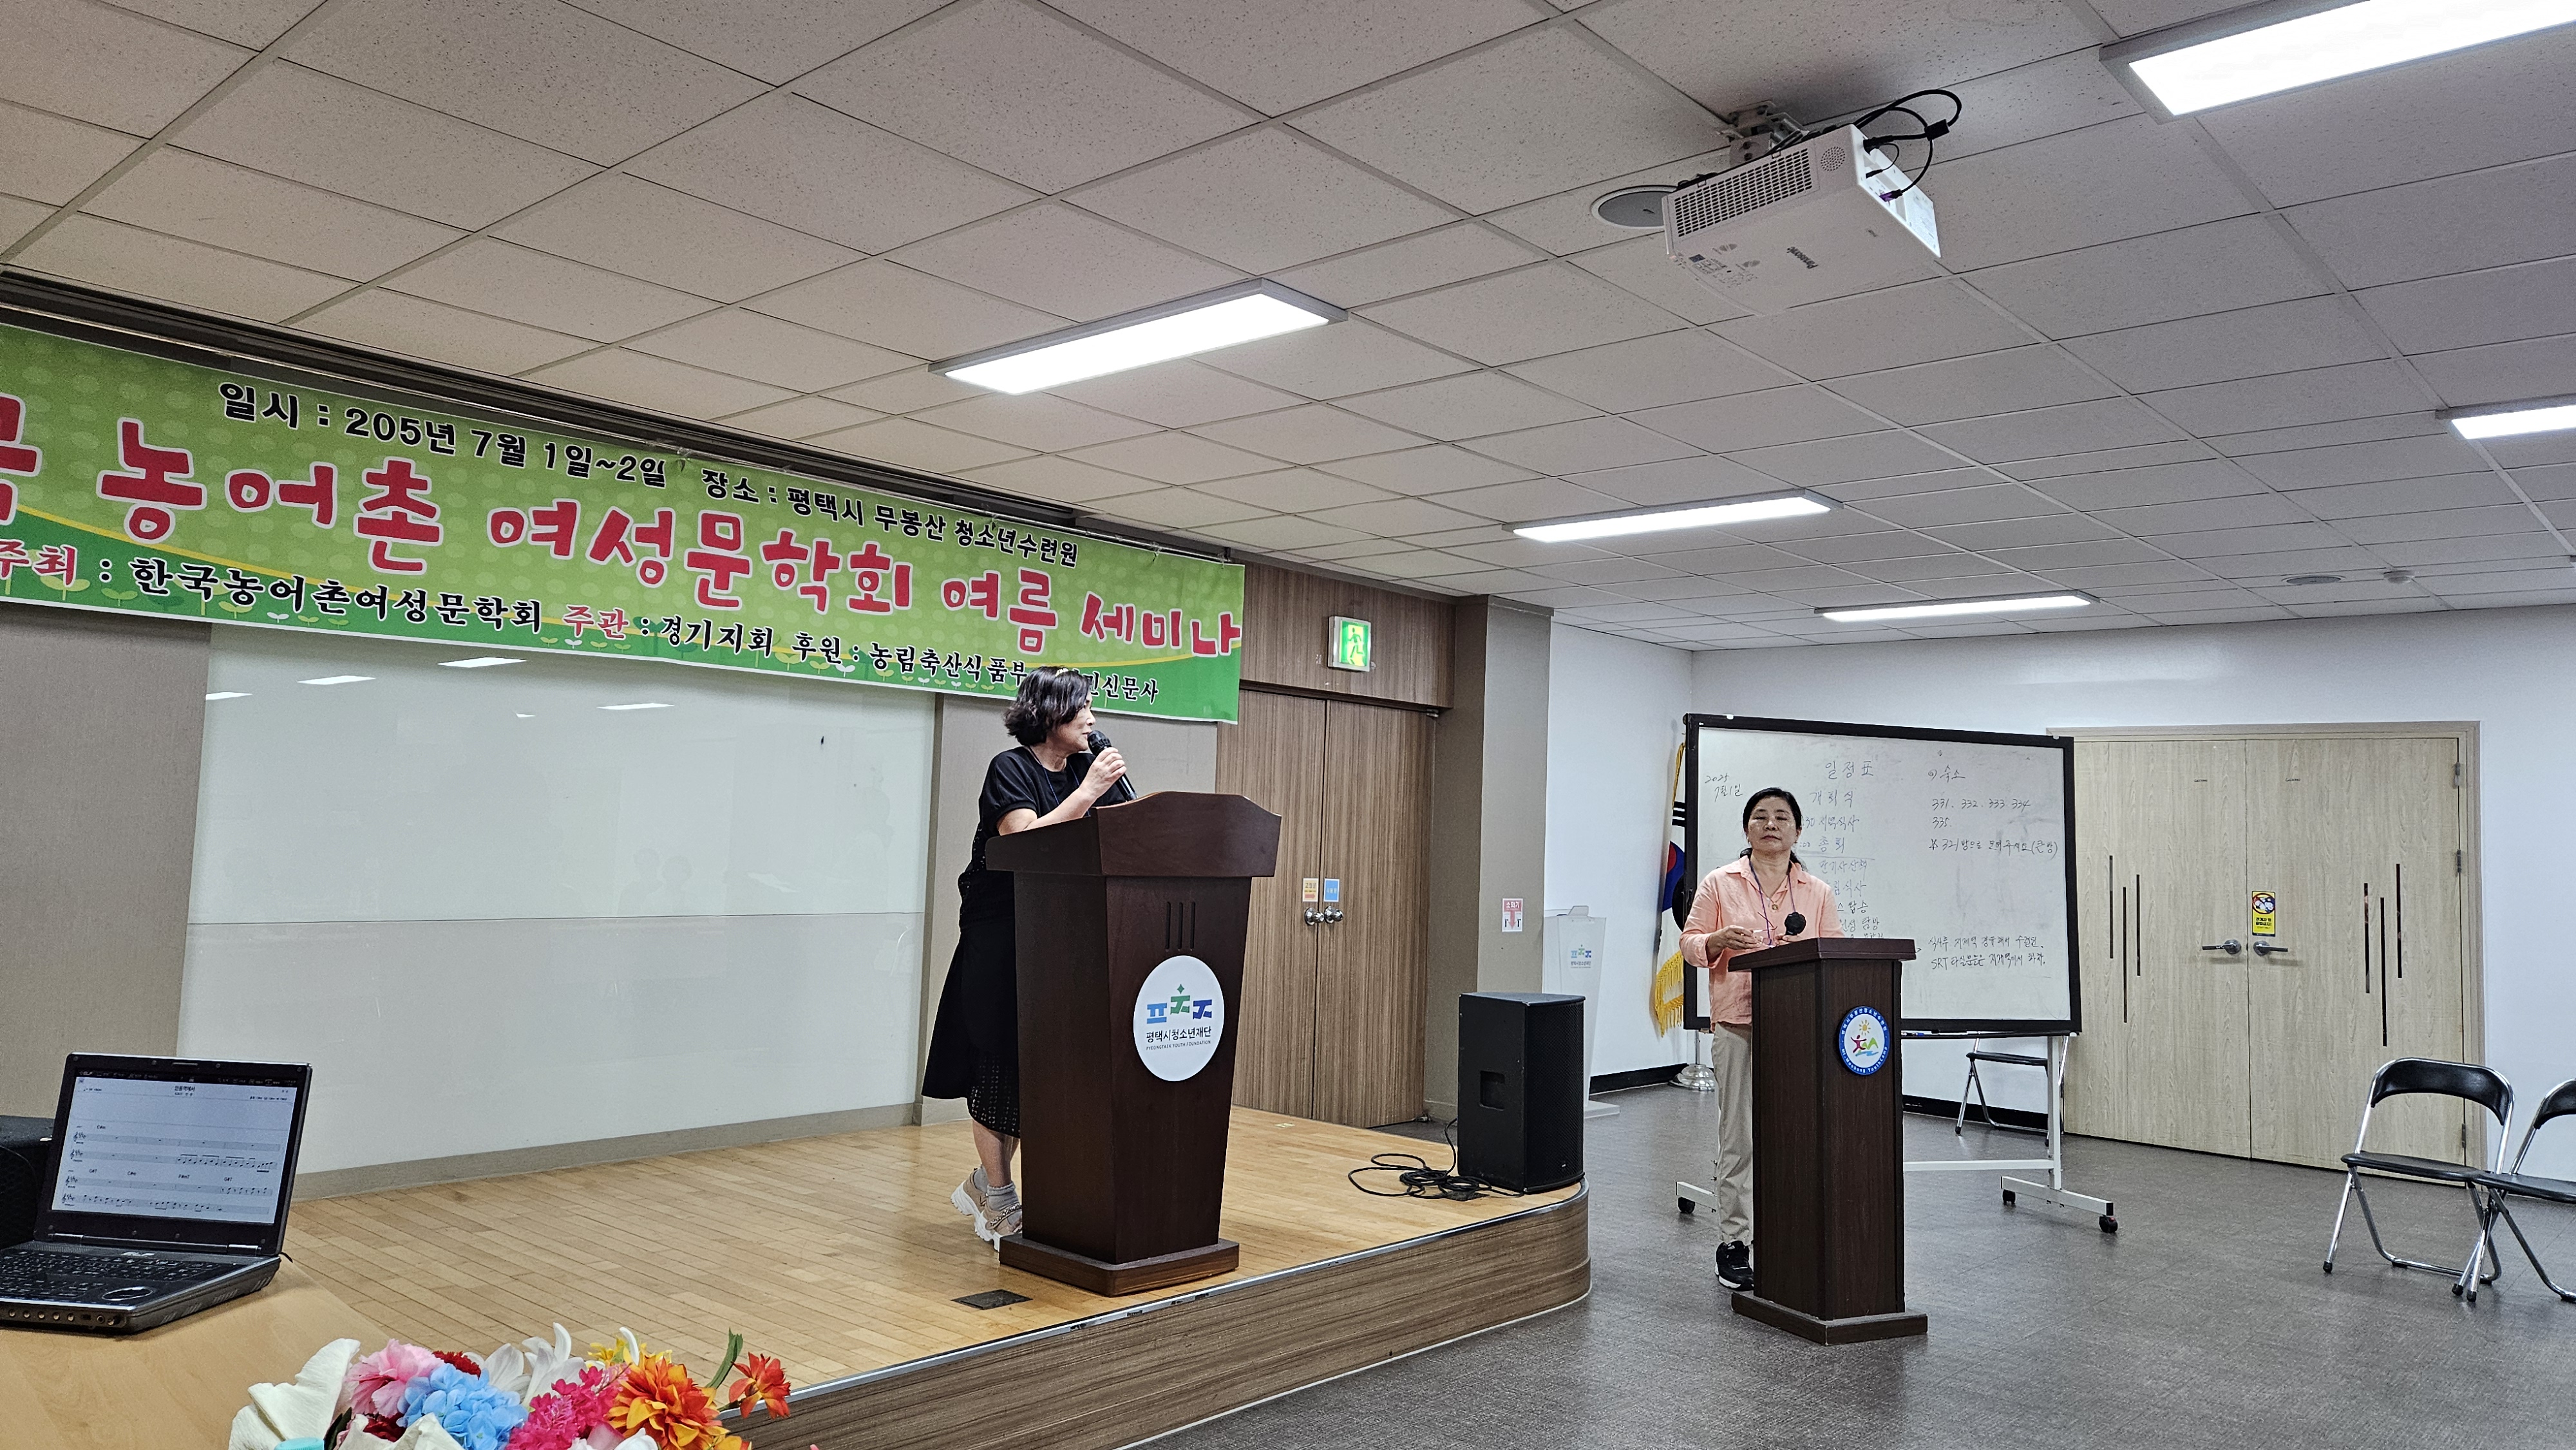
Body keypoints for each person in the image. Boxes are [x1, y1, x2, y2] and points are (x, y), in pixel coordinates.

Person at [922, 666, 1128, 1248]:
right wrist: (1089, 793)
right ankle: (998, 1196)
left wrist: (1104, 790)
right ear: (1051, 714)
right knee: (998, 1066)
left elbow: (1126, 831)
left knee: (1039, 1068)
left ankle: (988, 1186)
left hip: (1061, 937)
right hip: (1001, 936)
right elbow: (1022, 842)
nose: (1093, 719)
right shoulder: (1010, 768)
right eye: (1083, 708)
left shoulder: (1087, 768)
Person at [1679, 786, 1842, 1291]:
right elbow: (1689, 943)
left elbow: (1836, 952)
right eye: (1761, 817)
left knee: (1797, 1133)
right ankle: (1734, 1242)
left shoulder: (1817, 892)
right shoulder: (1719, 882)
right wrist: (1715, 940)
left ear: (1798, 830)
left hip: (1798, 1025)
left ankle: (1792, 1233)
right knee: (1739, 1136)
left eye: (1782, 817)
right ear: (1747, 829)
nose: (1771, 825)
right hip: (1738, 1023)